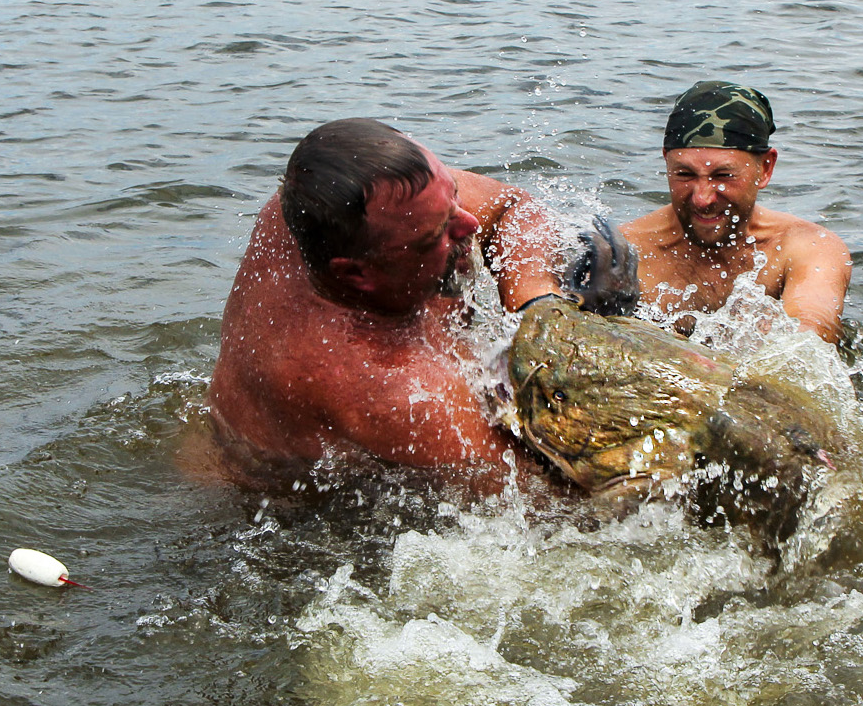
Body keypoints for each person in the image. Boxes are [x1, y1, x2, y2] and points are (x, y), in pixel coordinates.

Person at [205, 117, 626, 487]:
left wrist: (535, 299)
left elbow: (512, 205)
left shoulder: (337, 207)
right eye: (436, 236)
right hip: (287, 507)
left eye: (455, 197)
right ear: (355, 273)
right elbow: (552, 510)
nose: (470, 224)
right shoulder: (396, 392)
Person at [619, 80, 852, 343]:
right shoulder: (628, 250)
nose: (702, 198)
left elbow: (812, 333)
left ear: (765, 168)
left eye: (723, 175)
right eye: (684, 174)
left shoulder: (806, 248)